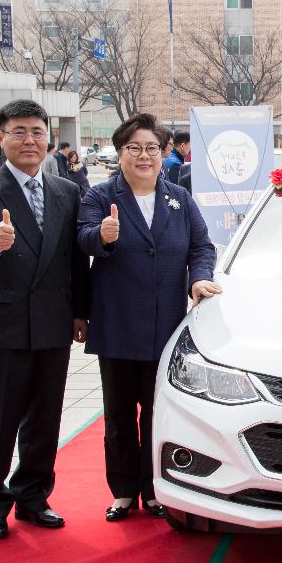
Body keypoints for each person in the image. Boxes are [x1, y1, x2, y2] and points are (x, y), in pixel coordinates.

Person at [77, 114, 220, 522]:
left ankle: (155, 489)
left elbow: (201, 247)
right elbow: (83, 237)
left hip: (166, 327)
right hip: (118, 323)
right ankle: (123, 490)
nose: (144, 157)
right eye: (134, 149)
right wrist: (101, 236)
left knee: (159, 412)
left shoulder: (179, 198)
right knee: (120, 414)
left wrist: (200, 281)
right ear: (120, 153)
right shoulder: (100, 196)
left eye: (152, 149)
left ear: (164, 153)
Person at [0, 100, 91, 540]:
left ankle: (34, 495)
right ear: (1, 139)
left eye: (36, 131)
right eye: (18, 132)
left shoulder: (65, 191)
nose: (29, 140)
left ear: (48, 138)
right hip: (3, 323)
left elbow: (75, 259)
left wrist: (79, 312)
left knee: (45, 417)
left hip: (53, 322)